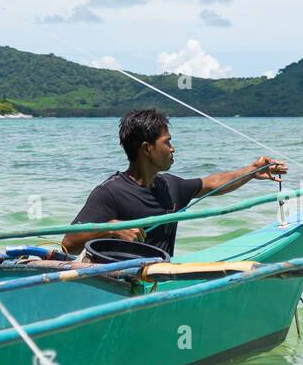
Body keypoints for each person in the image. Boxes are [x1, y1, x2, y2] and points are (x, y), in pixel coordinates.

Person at [61, 108, 286, 258]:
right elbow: (68, 243)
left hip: (160, 283)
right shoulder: (109, 192)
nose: (173, 148)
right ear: (147, 149)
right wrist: (112, 229)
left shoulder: (171, 187)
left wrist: (252, 170)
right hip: (121, 288)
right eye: (167, 142)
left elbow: (213, 182)